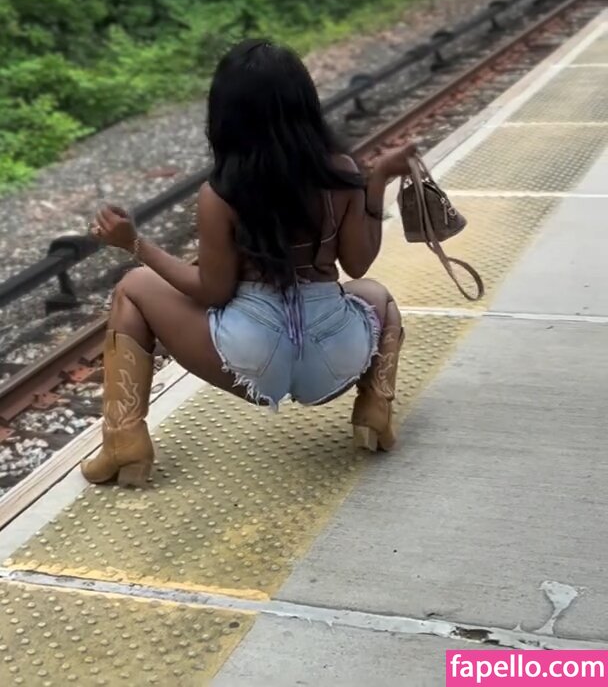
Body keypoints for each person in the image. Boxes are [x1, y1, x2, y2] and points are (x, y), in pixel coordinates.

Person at [83, 40, 416, 488]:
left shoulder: (221, 193)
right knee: (378, 298)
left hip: (252, 360)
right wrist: (377, 180)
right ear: (305, 103)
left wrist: (134, 244)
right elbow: (358, 265)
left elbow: (213, 291)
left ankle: (123, 440)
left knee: (134, 286)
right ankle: (375, 410)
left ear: (226, 116)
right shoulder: (340, 170)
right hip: (335, 359)